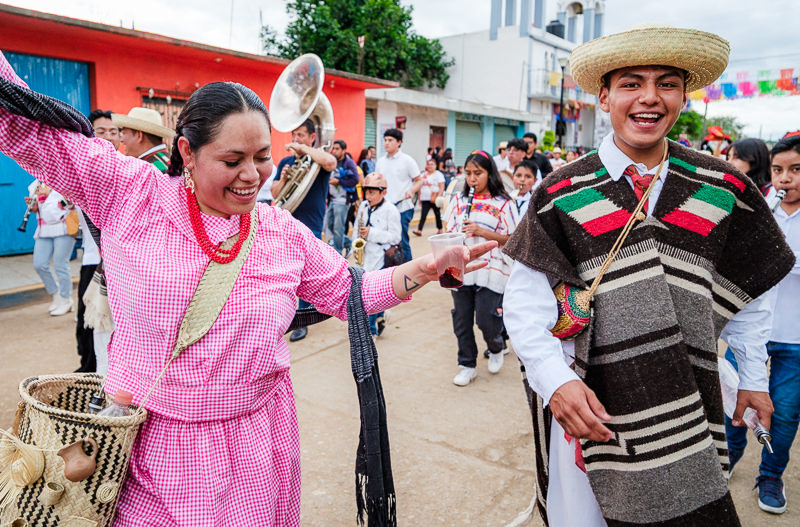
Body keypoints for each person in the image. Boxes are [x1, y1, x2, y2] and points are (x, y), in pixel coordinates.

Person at [0, 52, 494, 526]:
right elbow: (22, 122)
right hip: (150, 448)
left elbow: (353, 292)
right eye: (232, 159)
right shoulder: (130, 194)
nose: (251, 176)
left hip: (257, 448)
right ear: (187, 152)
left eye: (261, 158)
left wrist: (427, 267)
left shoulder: (280, 232)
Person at [502, 24, 794, 527]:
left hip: (691, 404)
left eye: (667, 84)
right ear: (604, 96)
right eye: (631, 83)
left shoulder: (722, 187)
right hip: (591, 407)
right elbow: (525, 305)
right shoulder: (561, 192)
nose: (649, 99)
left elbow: (749, 295)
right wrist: (555, 384)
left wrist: (752, 377)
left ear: (685, 96)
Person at [724, 135, 800, 515]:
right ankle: (727, 458)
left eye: (796, 170)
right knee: (735, 401)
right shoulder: (760, 206)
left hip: (796, 336)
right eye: (779, 170)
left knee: (784, 412)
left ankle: (770, 474)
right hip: (749, 331)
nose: (786, 179)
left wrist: (775, 255)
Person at [444, 150, 517, 386]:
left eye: (478, 173)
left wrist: (481, 231)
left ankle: (496, 346)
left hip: (491, 268)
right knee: (462, 321)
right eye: (468, 174)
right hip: (461, 268)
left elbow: (513, 239)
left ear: (490, 174)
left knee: (486, 319)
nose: (472, 179)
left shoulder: (504, 204)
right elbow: (447, 231)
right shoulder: (458, 201)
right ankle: (467, 365)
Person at [271, 118, 338, 342]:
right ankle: (287, 312)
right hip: (287, 222)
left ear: (311, 137)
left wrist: (304, 150)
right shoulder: (286, 162)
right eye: (294, 135)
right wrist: (284, 178)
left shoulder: (317, 163)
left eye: (301, 135)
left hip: (311, 223)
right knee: (287, 271)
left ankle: (304, 317)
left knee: (306, 273)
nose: (295, 140)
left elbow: (331, 162)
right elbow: (274, 193)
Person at [74, 109, 120, 373]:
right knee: (88, 321)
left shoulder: (129, 168)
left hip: (121, 262)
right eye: (101, 131)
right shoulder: (85, 169)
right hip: (94, 261)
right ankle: (89, 373)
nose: (108, 137)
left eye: (113, 132)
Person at [354, 173, 401, 336]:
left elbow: (396, 237)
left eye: (372, 192)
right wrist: (355, 245)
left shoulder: (391, 210)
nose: (368, 196)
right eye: (366, 192)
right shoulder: (364, 206)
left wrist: (372, 233)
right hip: (365, 256)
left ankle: (371, 332)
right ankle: (381, 315)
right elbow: (356, 227)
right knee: (369, 295)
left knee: (370, 296)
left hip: (381, 258)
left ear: (383, 192)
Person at [25, 180, 76, 316]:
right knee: (39, 264)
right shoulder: (35, 184)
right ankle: (56, 294)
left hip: (63, 228)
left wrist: (49, 194)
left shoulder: (62, 179)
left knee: (60, 265)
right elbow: (38, 209)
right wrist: (33, 206)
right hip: (43, 229)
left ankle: (66, 299)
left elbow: (71, 205)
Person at [375, 128, 421, 264]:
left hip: (402, 208)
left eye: (390, 140)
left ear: (399, 142)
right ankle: (390, 271)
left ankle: (409, 271)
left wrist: (411, 191)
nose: (386, 143)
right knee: (385, 241)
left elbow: (419, 181)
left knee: (402, 241)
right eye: (385, 140)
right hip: (384, 208)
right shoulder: (380, 162)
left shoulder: (407, 160)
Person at [326, 139, 359, 256]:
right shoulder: (332, 162)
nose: (334, 151)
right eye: (333, 148)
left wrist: (339, 181)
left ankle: (338, 254)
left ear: (344, 150)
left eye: (337, 149)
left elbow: (355, 180)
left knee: (338, 228)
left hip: (343, 200)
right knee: (328, 226)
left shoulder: (348, 163)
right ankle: (348, 243)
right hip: (332, 200)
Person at [413, 158, 445, 236]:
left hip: (435, 197)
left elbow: (441, 186)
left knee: (437, 214)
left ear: (435, 166)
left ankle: (440, 229)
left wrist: (439, 196)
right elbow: (420, 187)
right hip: (425, 198)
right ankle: (419, 230)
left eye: (432, 164)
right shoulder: (423, 175)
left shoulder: (438, 175)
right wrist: (420, 197)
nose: (430, 166)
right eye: (428, 164)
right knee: (423, 214)